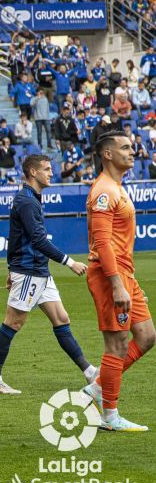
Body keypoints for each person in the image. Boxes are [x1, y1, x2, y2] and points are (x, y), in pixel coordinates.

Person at [0, 155, 97, 395]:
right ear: (33, 172)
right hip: (29, 272)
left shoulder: (30, 198)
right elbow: (37, 240)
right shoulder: (26, 201)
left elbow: (14, 237)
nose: (51, 173)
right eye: (46, 169)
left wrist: (9, 268)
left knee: (61, 318)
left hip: (37, 270)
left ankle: (89, 372)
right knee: (13, 321)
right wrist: (69, 262)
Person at [81, 134, 156, 432]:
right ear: (107, 154)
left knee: (147, 335)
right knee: (118, 344)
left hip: (125, 274)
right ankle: (109, 416)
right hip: (109, 275)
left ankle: (97, 387)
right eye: (125, 147)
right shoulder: (103, 191)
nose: (132, 151)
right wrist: (116, 283)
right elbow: (101, 241)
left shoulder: (117, 189)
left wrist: (128, 280)